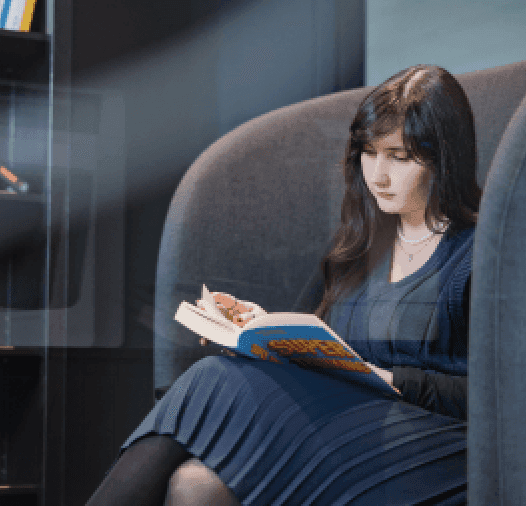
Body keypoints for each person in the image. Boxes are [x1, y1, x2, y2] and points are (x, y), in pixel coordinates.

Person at [85, 63, 481, 506]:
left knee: (212, 380)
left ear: (444, 158)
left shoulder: (480, 253)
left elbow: (496, 397)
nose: (378, 175)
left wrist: (383, 377)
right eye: (369, 152)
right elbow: (310, 337)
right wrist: (252, 328)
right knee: (196, 483)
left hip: (433, 444)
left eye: (399, 156)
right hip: (339, 427)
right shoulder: (357, 248)